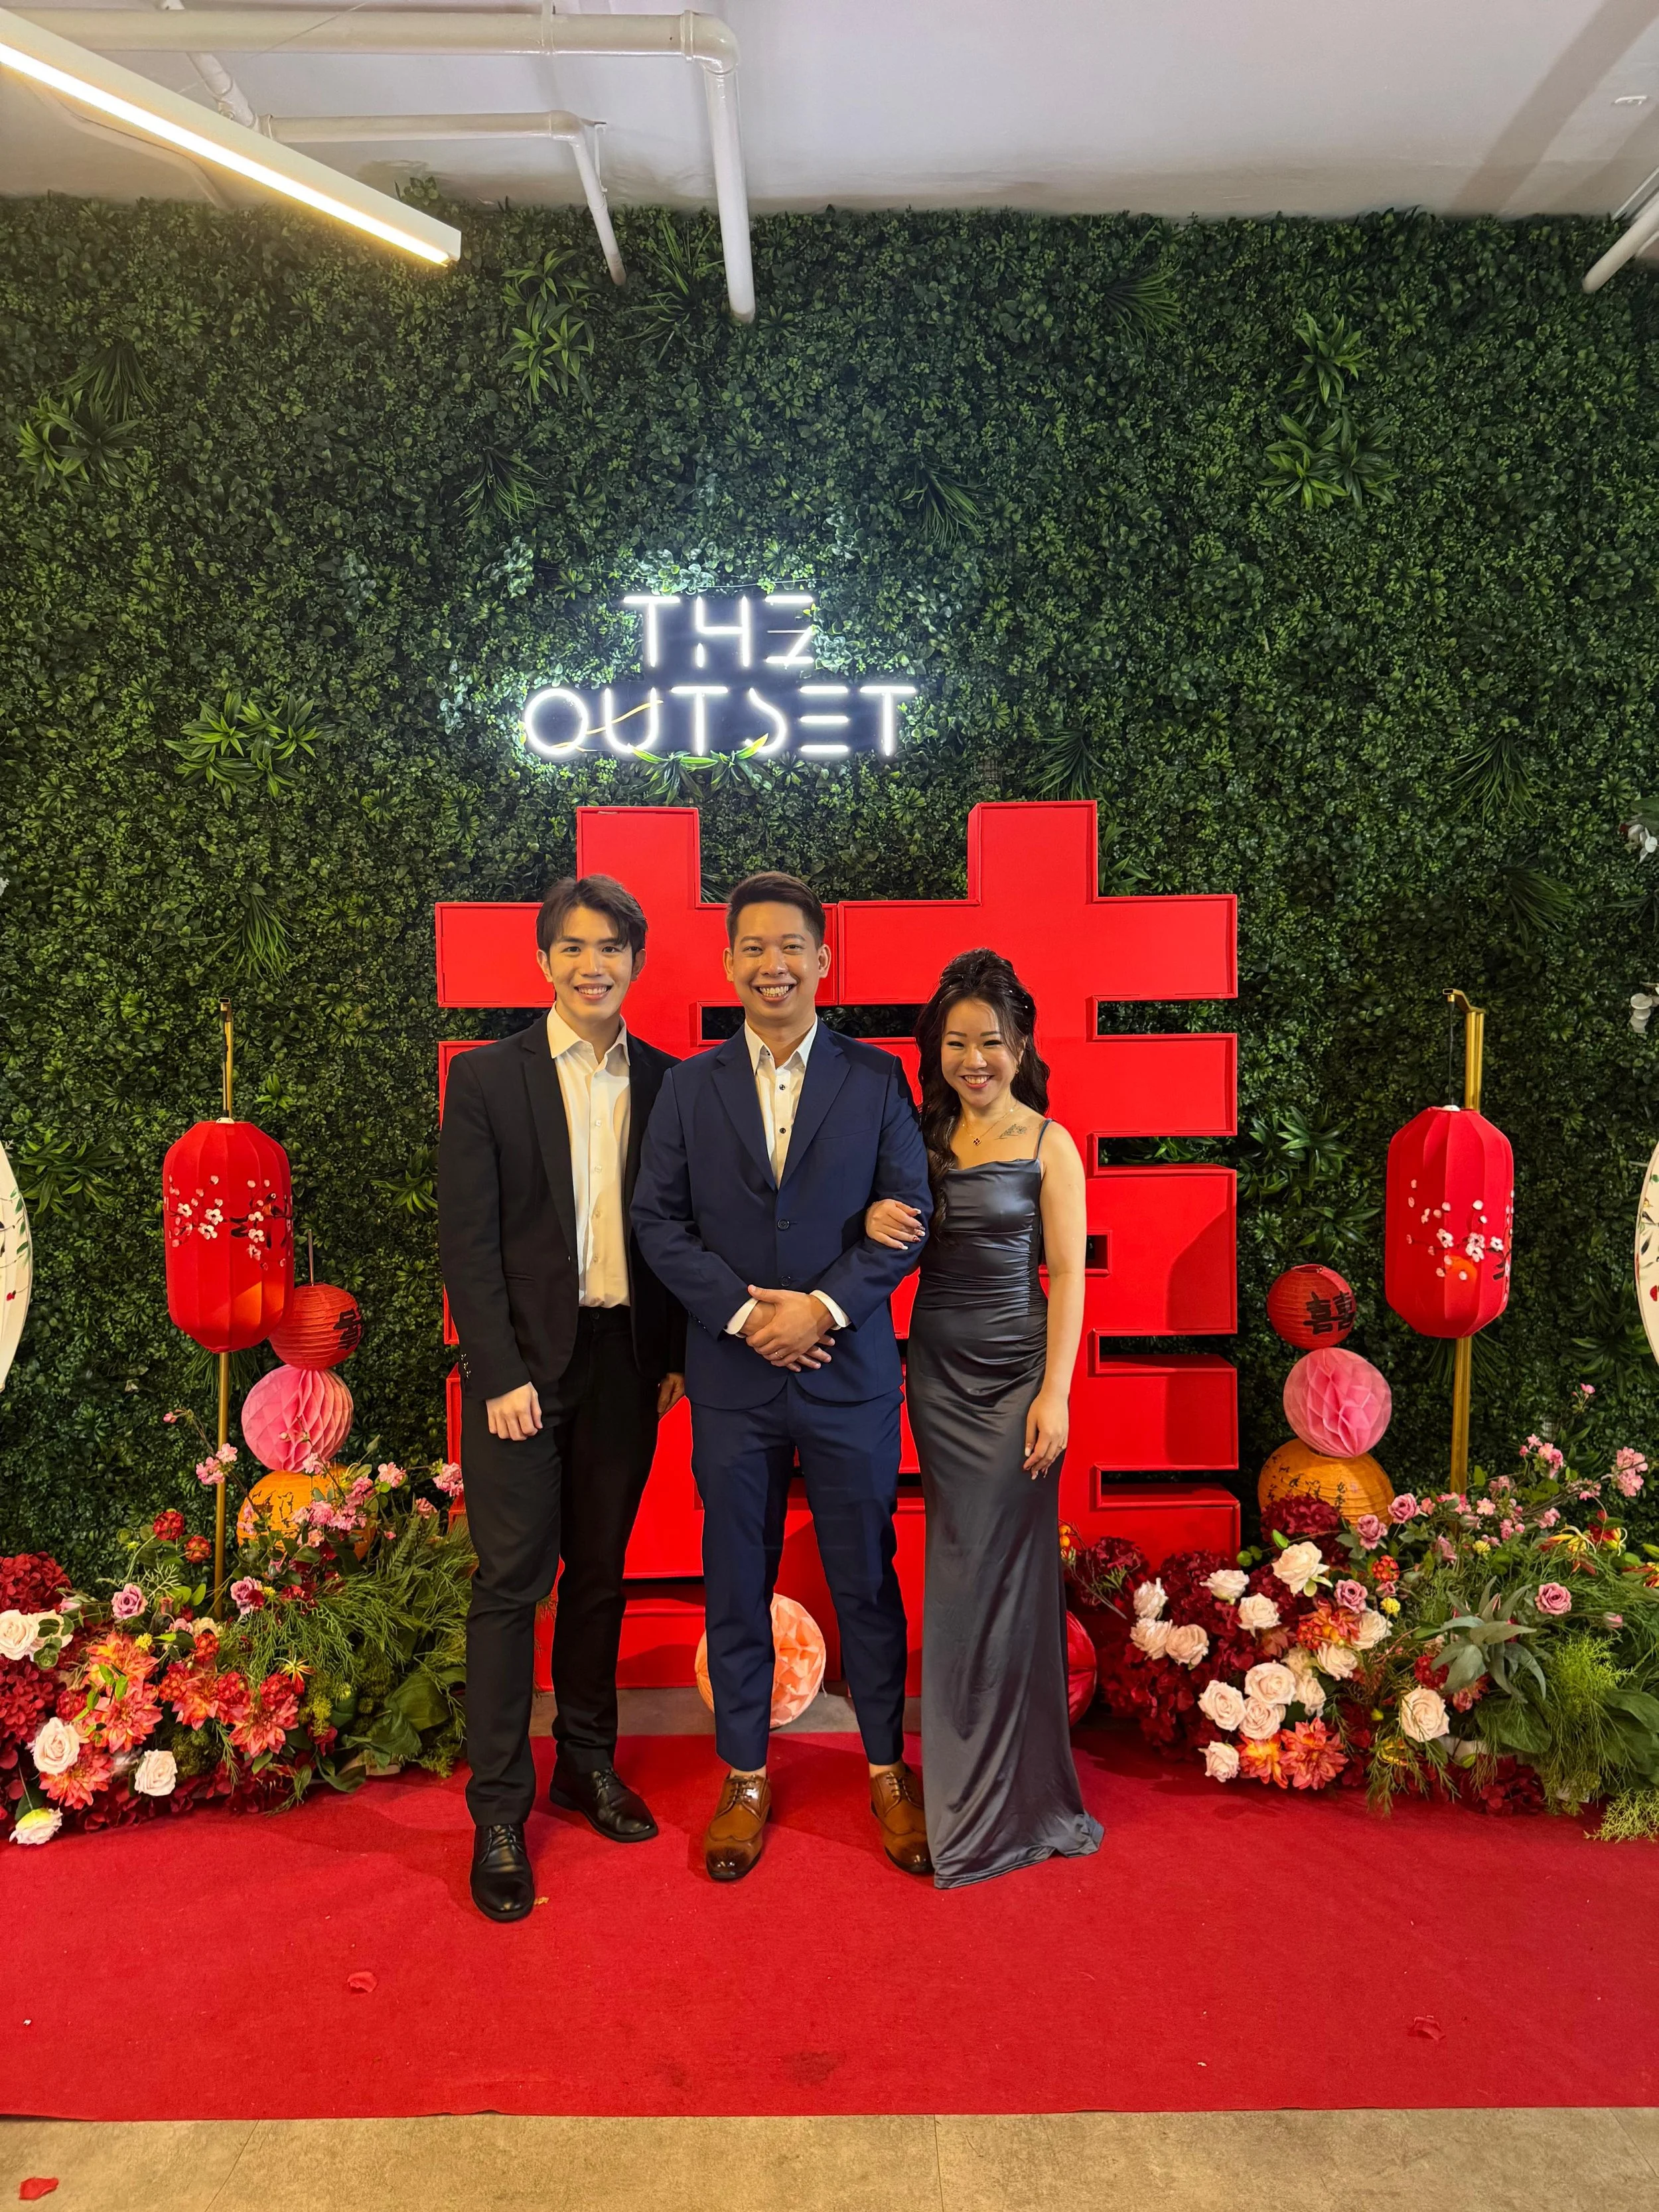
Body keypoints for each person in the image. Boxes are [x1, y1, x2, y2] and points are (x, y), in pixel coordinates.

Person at [632, 872, 934, 1883]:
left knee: (866, 1581)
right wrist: (747, 1315)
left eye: (792, 947)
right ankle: (746, 1772)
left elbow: (908, 1210)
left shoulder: (879, 1078)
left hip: (847, 1373)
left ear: (823, 960)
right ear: (729, 964)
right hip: (734, 1378)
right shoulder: (689, 1086)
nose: (774, 966)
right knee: (737, 1582)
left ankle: (889, 1766)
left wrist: (823, 1308)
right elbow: (657, 1223)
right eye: (754, 948)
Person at [437, 873, 686, 1923]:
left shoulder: (671, 1082)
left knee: (598, 1579)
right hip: (522, 1371)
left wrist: (671, 1352)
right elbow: (469, 1237)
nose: (595, 966)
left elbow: (679, 1231)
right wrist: (494, 1371)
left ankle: (587, 1761)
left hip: (626, 1360)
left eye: (614, 949)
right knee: (509, 1585)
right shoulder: (489, 1079)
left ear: (637, 963)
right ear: (544, 961)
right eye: (576, 948)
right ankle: (499, 1807)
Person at [865, 948, 1102, 1888]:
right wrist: (873, 1221)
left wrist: (1058, 1392)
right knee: (960, 1572)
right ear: (937, 1051)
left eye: (991, 1043)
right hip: (937, 1376)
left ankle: (1020, 1797)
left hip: (1018, 1382)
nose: (976, 1060)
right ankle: (964, 1790)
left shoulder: (1051, 1143)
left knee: (1012, 1575)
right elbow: (880, 1233)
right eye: (958, 1043)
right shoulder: (917, 1139)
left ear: (1021, 1046)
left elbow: (1070, 1274)